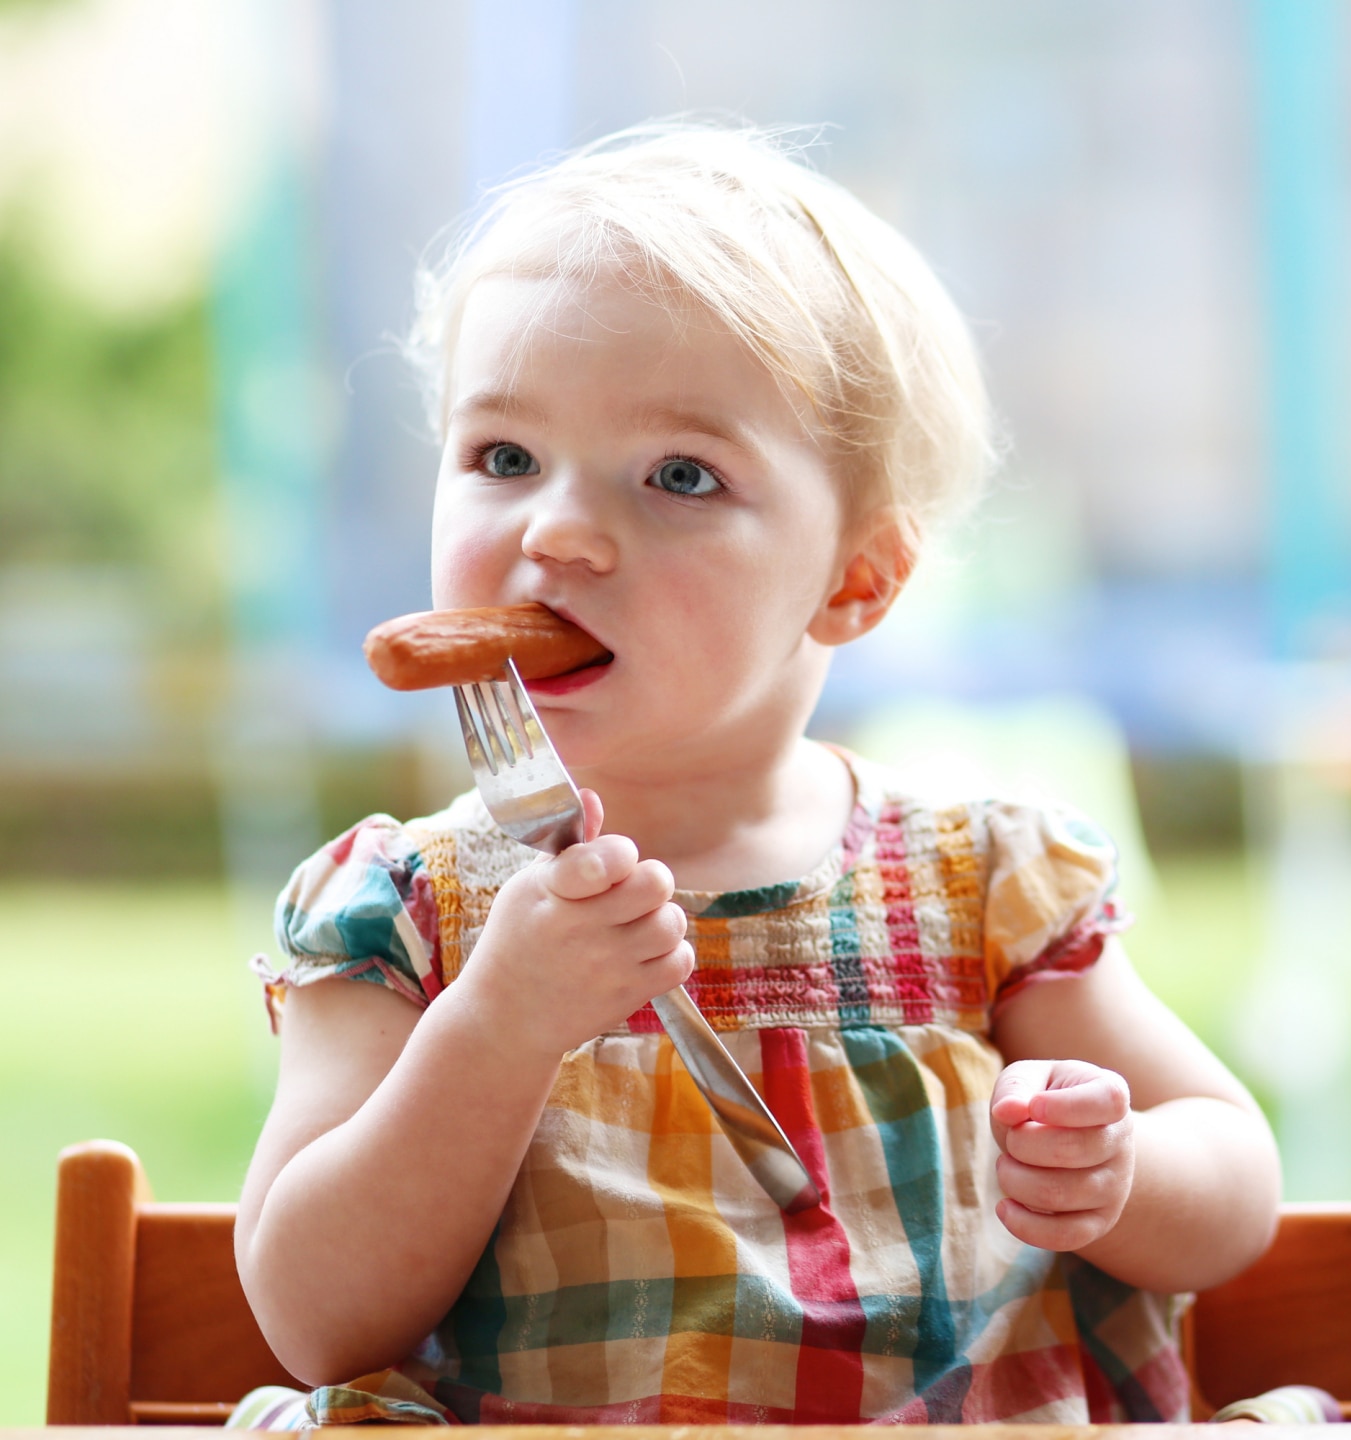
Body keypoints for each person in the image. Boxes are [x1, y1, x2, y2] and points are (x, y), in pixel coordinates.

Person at [231, 123, 1282, 1429]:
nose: (555, 528)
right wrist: (496, 1026)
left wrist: (1115, 1169)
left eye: (679, 475)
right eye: (504, 457)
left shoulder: (978, 888)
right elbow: (313, 1315)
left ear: (854, 581)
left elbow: (1234, 1189)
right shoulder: (405, 911)